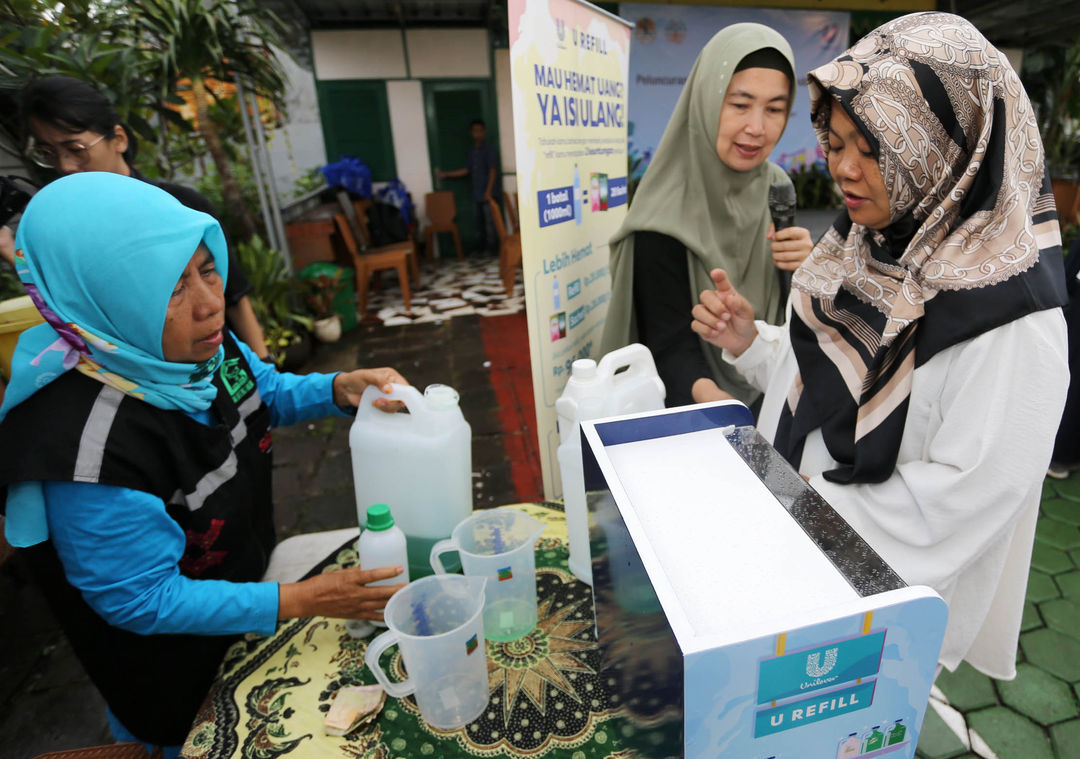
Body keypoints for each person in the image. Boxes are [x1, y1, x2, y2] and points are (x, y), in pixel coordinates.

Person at [691, 12, 1069, 679]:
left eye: (873, 147)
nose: (843, 168)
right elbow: (824, 373)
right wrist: (754, 345)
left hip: (872, 594)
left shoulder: (1014, 321)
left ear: (950, 147)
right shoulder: (866, 244)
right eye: (835, 142)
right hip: (790, 541)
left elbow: (966, 493)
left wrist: (801, 504)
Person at [0, 172, 410, 755]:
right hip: (174, 671)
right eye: (170, 287)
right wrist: (302, 599)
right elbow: (141, 600)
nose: (210, 302)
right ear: (104, 298)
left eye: (206, 268)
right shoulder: (87, 450)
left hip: (243, 596)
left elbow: (258, 389)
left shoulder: (192, 351)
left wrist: (339, 387)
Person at [600, 24, 814, 408]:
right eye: (740, 104)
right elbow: (668, 344)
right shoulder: (664, 210)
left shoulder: (776, 187)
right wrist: (726, 412)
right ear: (707, 100)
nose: (757, 128)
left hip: (781, 391)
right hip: (699, 410)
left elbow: (792, 320)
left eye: (775, 109)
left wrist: (809, 270)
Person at [0, 75, 270, 360]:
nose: (65, 166)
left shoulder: (182, 206)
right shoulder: (76, 232)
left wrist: (264, 364)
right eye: (48, 153)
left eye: (76, 150)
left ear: (118, 139)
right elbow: (72, 307)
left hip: (217, 367)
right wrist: (10, 250)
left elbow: (235, 298)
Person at [436, 118, 501, 256]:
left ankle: (492, 249)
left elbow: (492, 170)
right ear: (471, 133)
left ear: (484, 132)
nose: (477, 134)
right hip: (476, 193)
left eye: (480, 131)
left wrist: (488, 191)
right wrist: (446, 174)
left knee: (490, 223)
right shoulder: (472, 151)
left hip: (488, 193)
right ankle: (481, 248)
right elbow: (466, 170)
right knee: (479, 223)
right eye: (474, 131)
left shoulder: (489, 150)